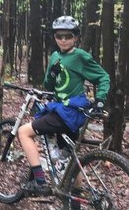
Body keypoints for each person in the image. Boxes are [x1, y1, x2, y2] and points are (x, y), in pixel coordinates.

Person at [18, 15, 110, 196]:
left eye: (68, 36)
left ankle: (39, 181)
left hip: (68, 112)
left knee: (23, 132)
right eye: (59, 36)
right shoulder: (54, 57)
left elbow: (103, 77)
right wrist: (52, 73)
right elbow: (49, 86)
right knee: (70, 159)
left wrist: (100, 99)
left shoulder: (80, 57)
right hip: (63, 111)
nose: (63, 40)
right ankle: (73, 209)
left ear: (76, 37)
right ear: (54, 38)